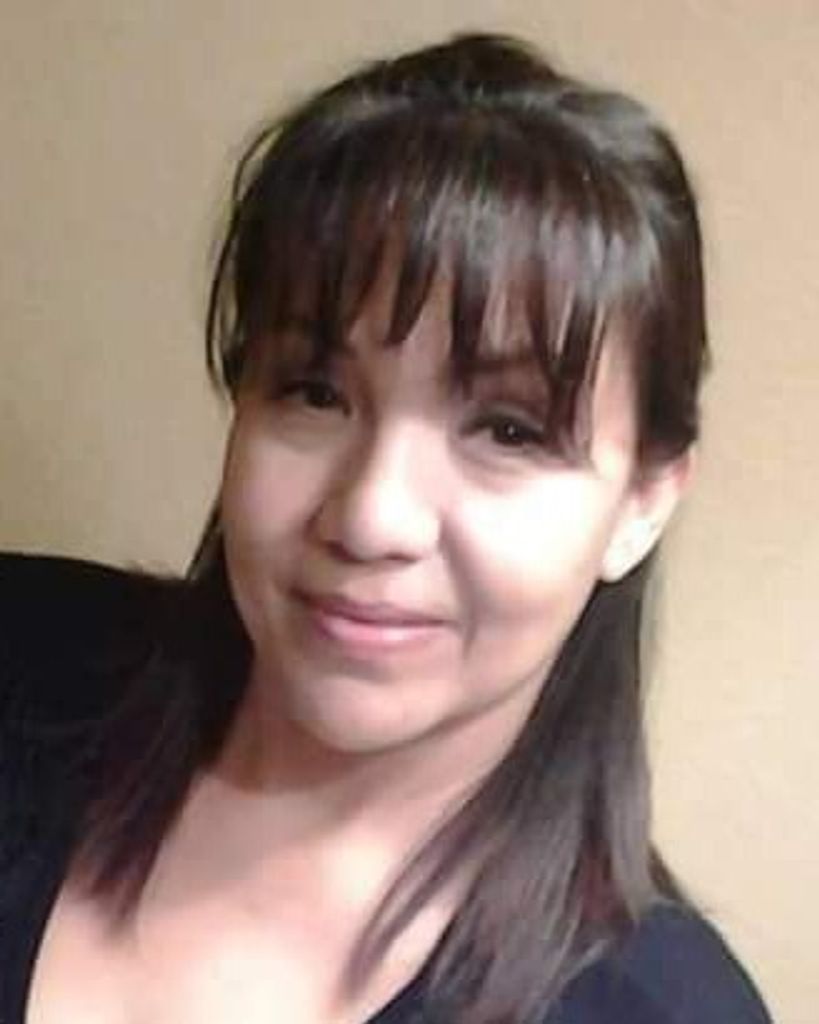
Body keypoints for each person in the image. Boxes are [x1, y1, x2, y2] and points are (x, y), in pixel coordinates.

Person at [0, 32, 772, 1024]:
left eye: (508, 429)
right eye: (314, 392)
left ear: (643, 503)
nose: (371, 516)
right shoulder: (27, 663)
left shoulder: (660, 1010)